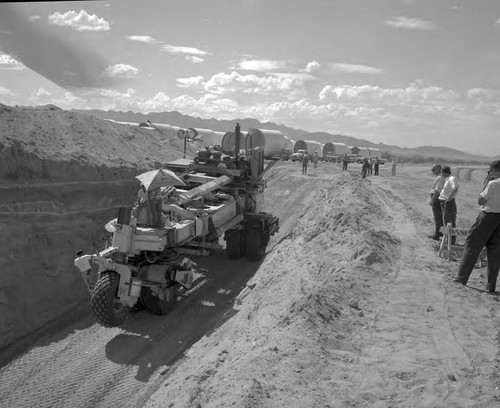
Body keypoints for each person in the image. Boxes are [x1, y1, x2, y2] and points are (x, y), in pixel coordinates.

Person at [454, 161, 500, 292]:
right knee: (495, 252)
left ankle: (461, 278)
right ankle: (491, 286)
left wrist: (486, 184)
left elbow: (481, 200)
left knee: (472, 245)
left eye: (491, 171)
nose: (490, 173)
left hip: (488, 216)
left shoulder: (493, 183)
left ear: (496, 170)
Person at [438, 166, 459, 244]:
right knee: (446, 222)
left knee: (450, 223)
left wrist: (448, 199)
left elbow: (455, 189)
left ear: (444, 172)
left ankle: (451, 242)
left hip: (449, 203)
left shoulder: (452, 179)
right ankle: (447, 240)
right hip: (445, 202)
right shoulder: (448, 179)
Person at [428, 164, 446, 240]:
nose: (432, 171)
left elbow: (437, 190)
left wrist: (432, 200)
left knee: (437, 217)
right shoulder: (440, 177)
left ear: (438, 169)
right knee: (438, 217)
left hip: (437, 198)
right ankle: (439, 233)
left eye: (434, 170)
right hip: (438, 198)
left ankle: (438, 235)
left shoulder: (440, 178)